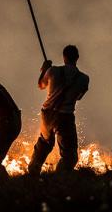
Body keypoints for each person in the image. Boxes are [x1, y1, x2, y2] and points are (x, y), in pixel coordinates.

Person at [27, 45, 90, 176]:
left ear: (64, 57)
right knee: (69, 155)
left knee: (44, 144)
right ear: (77, 58)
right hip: (65, 116)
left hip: (47, 114)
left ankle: (32, 172)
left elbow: (41, 85)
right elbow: (79, 97)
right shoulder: (84, 78)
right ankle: (60, 178)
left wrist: (44, 69)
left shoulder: (52, 71)